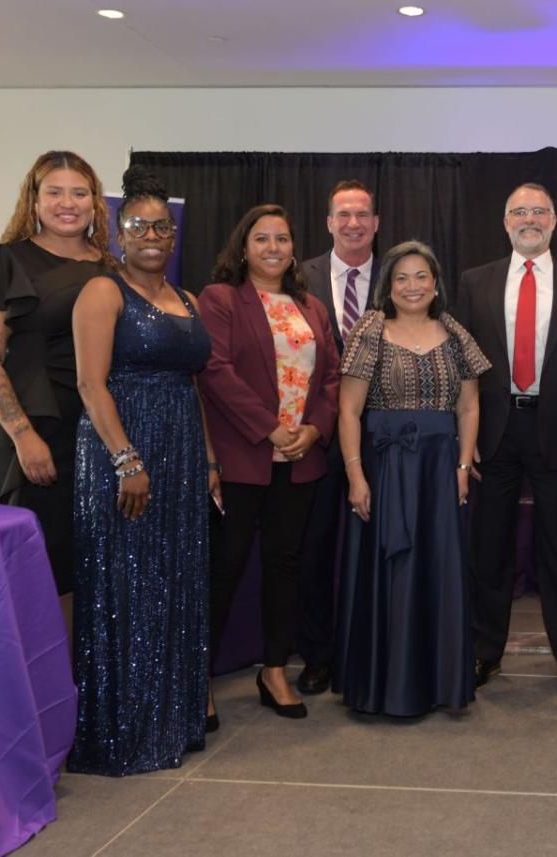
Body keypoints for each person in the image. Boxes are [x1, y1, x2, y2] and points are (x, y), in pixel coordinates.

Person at [68, 167, 216, 775]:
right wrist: (127, 460)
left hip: (180, 451)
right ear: (118, 233)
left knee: (173, 582)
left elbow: (192, 387)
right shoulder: (103, 291)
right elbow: (89, 383)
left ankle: (170, 722)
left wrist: (206, 460)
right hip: (121, 448)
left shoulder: (188, 299)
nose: (153, 235)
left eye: (163, 225)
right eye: (139, 226)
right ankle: (122, 731)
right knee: (126, 586)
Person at [454, 183, 557, 697]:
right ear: (505, 221)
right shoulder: (475, 283)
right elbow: (461, 368)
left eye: (539, 211)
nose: (529, 219)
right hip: (493, 432)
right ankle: (482, 653)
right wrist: (462, 436)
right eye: (519, 211)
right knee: (487, 548)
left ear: (555, 221)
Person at [200, 204, 341, 726]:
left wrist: (313, 430)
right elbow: (214, 370)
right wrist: (268, 427)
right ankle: (200, 678)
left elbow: (331, 378)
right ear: (243, 247)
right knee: (225, 568)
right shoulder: (220, 300)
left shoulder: (311, 307)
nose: (273, 248)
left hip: (300, 460)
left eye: (282, 238)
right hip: (243, 457)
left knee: (286, 567)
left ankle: (275, 669)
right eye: (262, 239)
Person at [336, 240, 490, 716]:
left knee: (438, 571)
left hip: (440, 471)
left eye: (421, 276)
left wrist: (464, 467)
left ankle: (437, 684)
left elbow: (469, 406)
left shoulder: (455, 332)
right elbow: (348, 409)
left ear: (435, 282)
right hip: (385, 470)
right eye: (401, 277)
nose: (412, 286)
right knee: (391, 573)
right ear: (388, 285)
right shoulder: (370, 330)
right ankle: (386, 686)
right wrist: (356, 476)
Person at [0, 150, 112, 597]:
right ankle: (37, 669)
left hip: (98, 432)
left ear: (95, 201)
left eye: (79, 192)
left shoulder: (112, 268)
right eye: (55, 192)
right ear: (34, 200)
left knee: (92, 568)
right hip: (32, 432)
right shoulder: (8, 261)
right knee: (38, 568)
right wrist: (23, 435)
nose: (68, 203)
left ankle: (85, 668)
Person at [295, 180, 379, 695]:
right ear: (328, 222)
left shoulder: (401, 275)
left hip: (390, 437)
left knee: (380, 549)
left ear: (376, 222)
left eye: (362, 214)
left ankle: (374, 649)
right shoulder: (296, 276)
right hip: (316, 436)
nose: (353, 223)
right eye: (343, 215)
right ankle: (318, 655)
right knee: (314, 550)